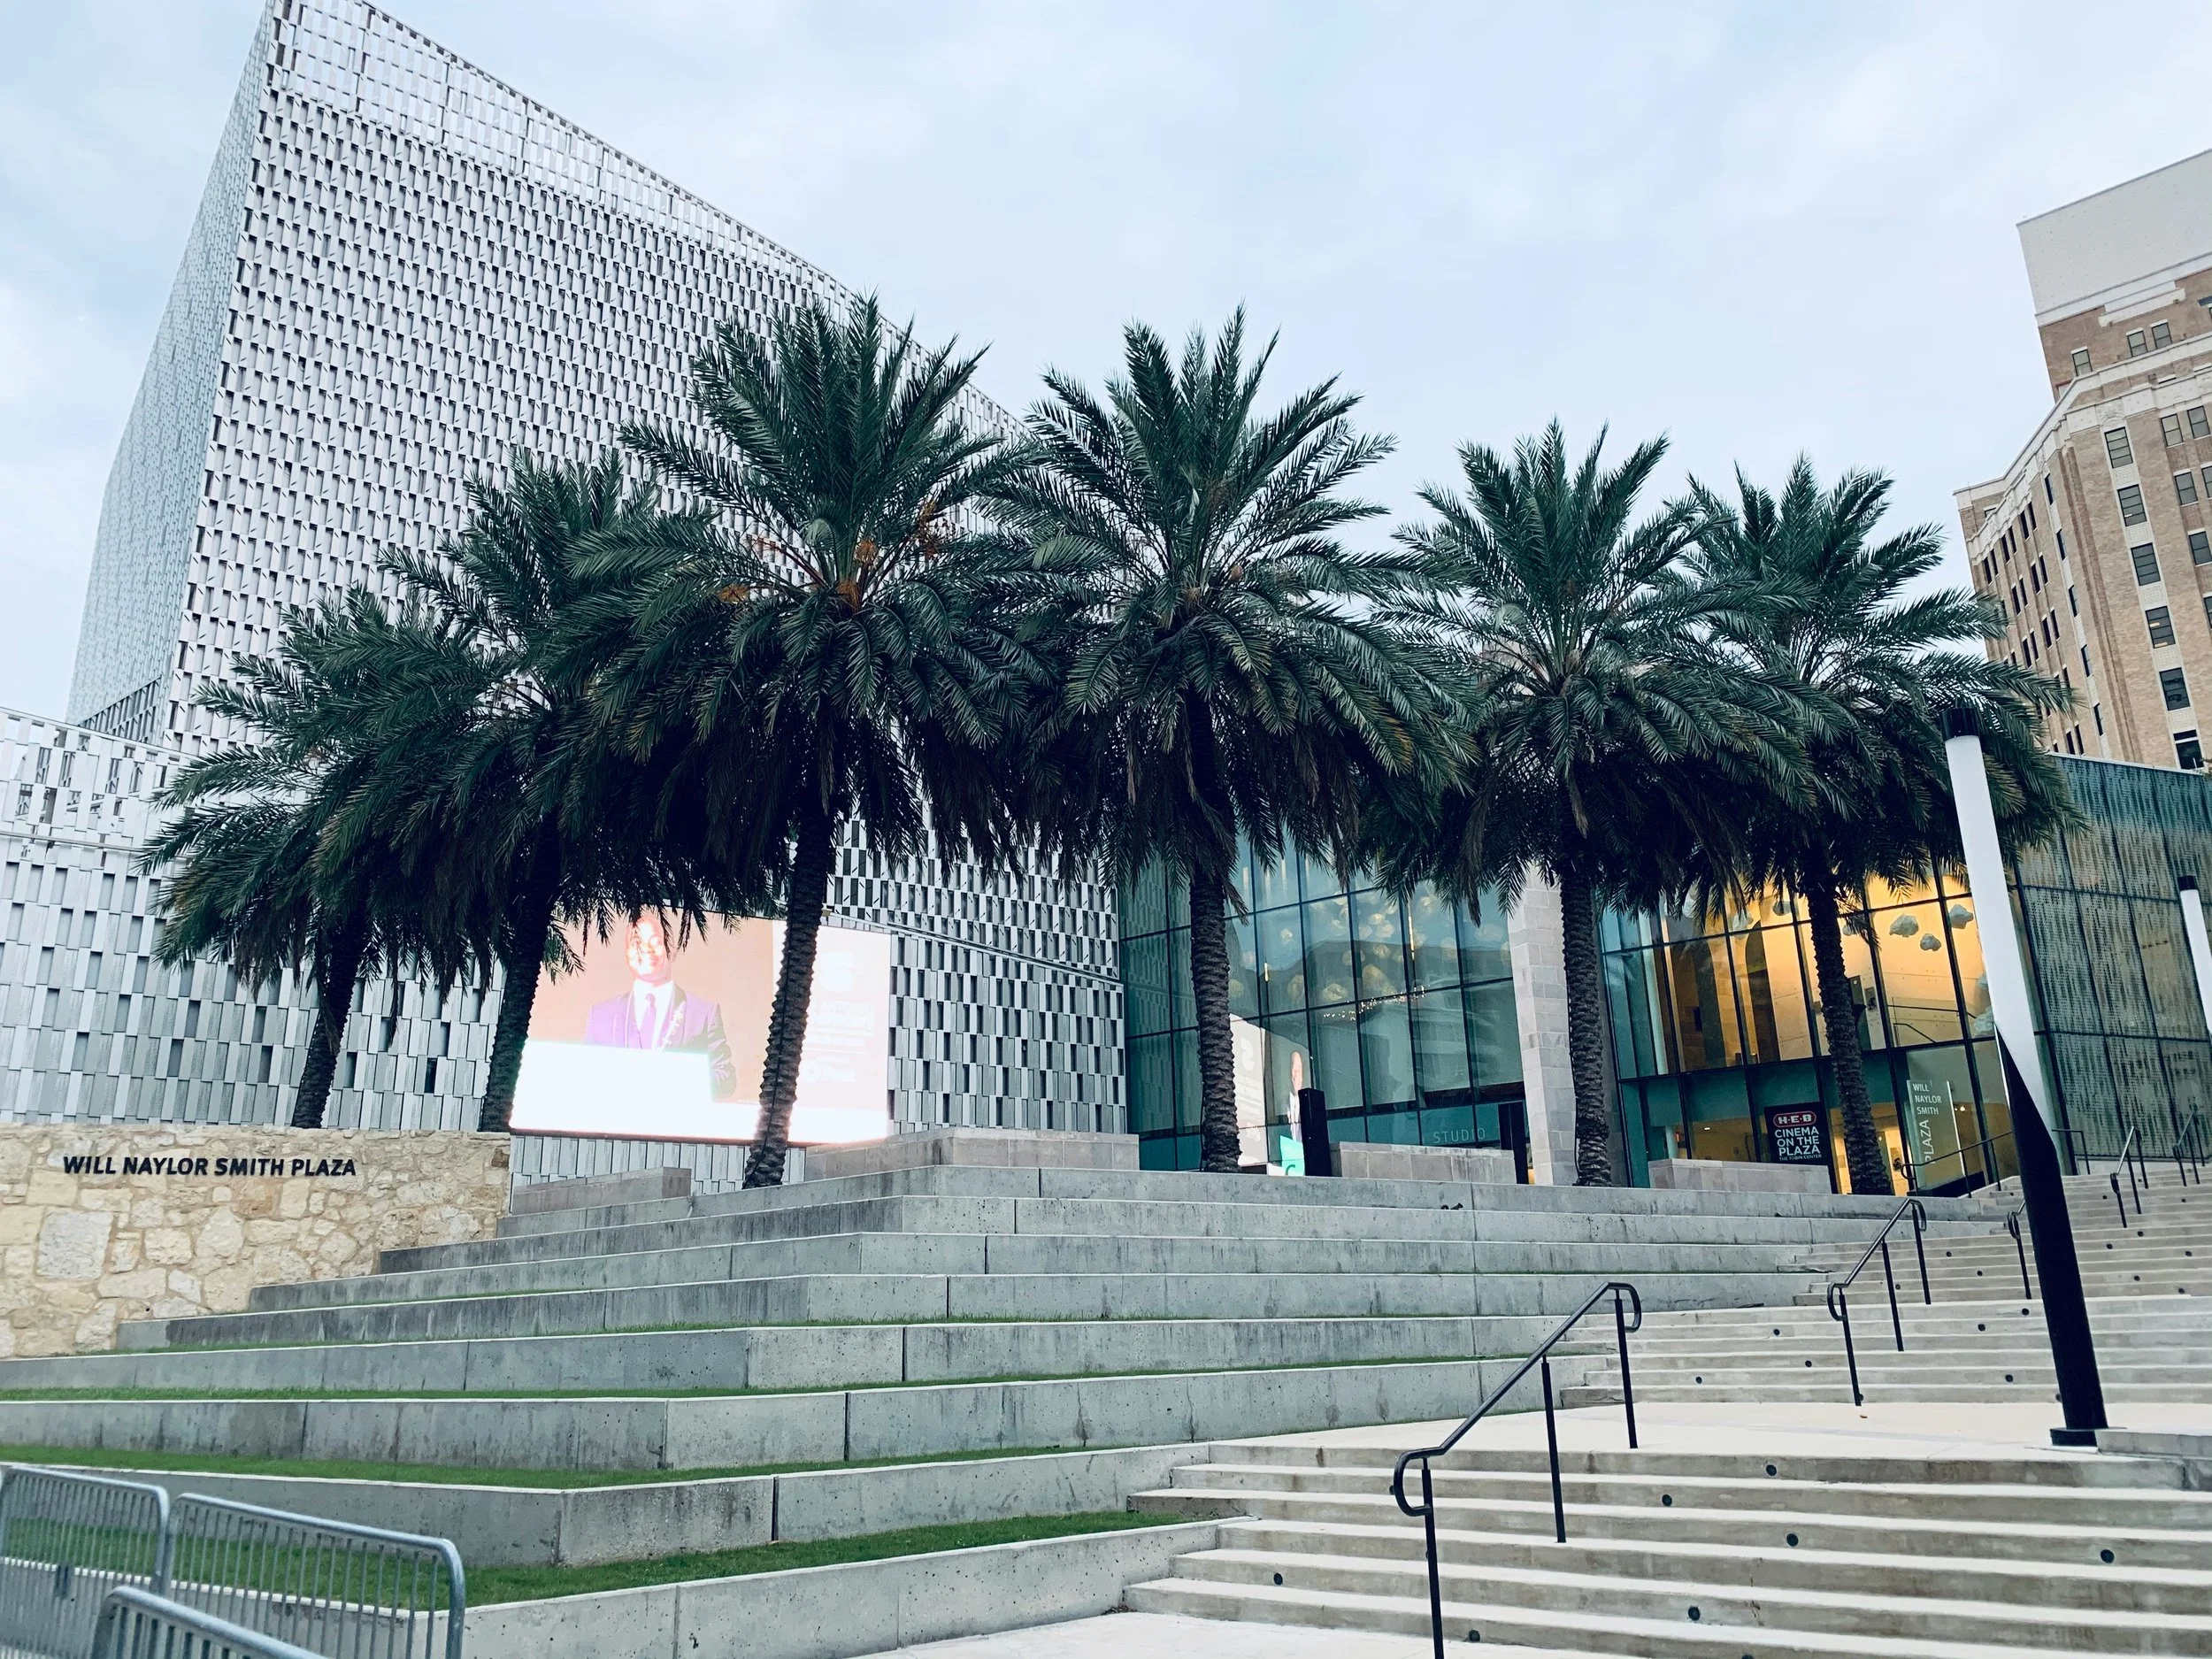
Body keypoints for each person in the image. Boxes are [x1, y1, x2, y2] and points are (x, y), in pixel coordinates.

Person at [583, 914, 738, 1098]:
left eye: (655, 942)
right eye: (637, 943)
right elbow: (585, 1078)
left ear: (669, 950)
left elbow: (725, 1078)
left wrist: (679, 1084)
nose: (647, 950)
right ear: (627, 954)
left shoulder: (703, 1013)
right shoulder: (601, 1015)